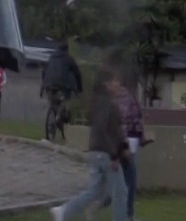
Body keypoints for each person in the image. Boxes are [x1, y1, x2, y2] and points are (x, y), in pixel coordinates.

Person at [50, 68, 129, 221]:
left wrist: (123, 147)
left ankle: (64, 211)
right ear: (106, 83)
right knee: (120, 191)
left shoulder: (101, 101)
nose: (118, 84)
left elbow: (114, 130)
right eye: (115, 81)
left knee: (95, 191)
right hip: (105, 153)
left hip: (97, 151)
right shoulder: (105, 103)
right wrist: (114, 155)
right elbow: (102, 129)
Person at [111, 80, 144, 221]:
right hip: (128, 143)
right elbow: (134, 123)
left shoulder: (115, 99)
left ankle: (125, 214)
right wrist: (140, 138)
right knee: (130, 181)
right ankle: (128, 215)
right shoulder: (128, 99)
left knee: (122, 182)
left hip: (121, 143)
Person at [41, 43, 84, 116]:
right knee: (67, 98)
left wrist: (44, 84)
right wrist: (79, 89)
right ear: (67, 50)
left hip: (49, 82)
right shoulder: (69, 58)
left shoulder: (51, 57)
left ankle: (52, 110)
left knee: (51, 95)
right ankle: (60, 114)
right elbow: (77, 73)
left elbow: (44, 71)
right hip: (63, 84)